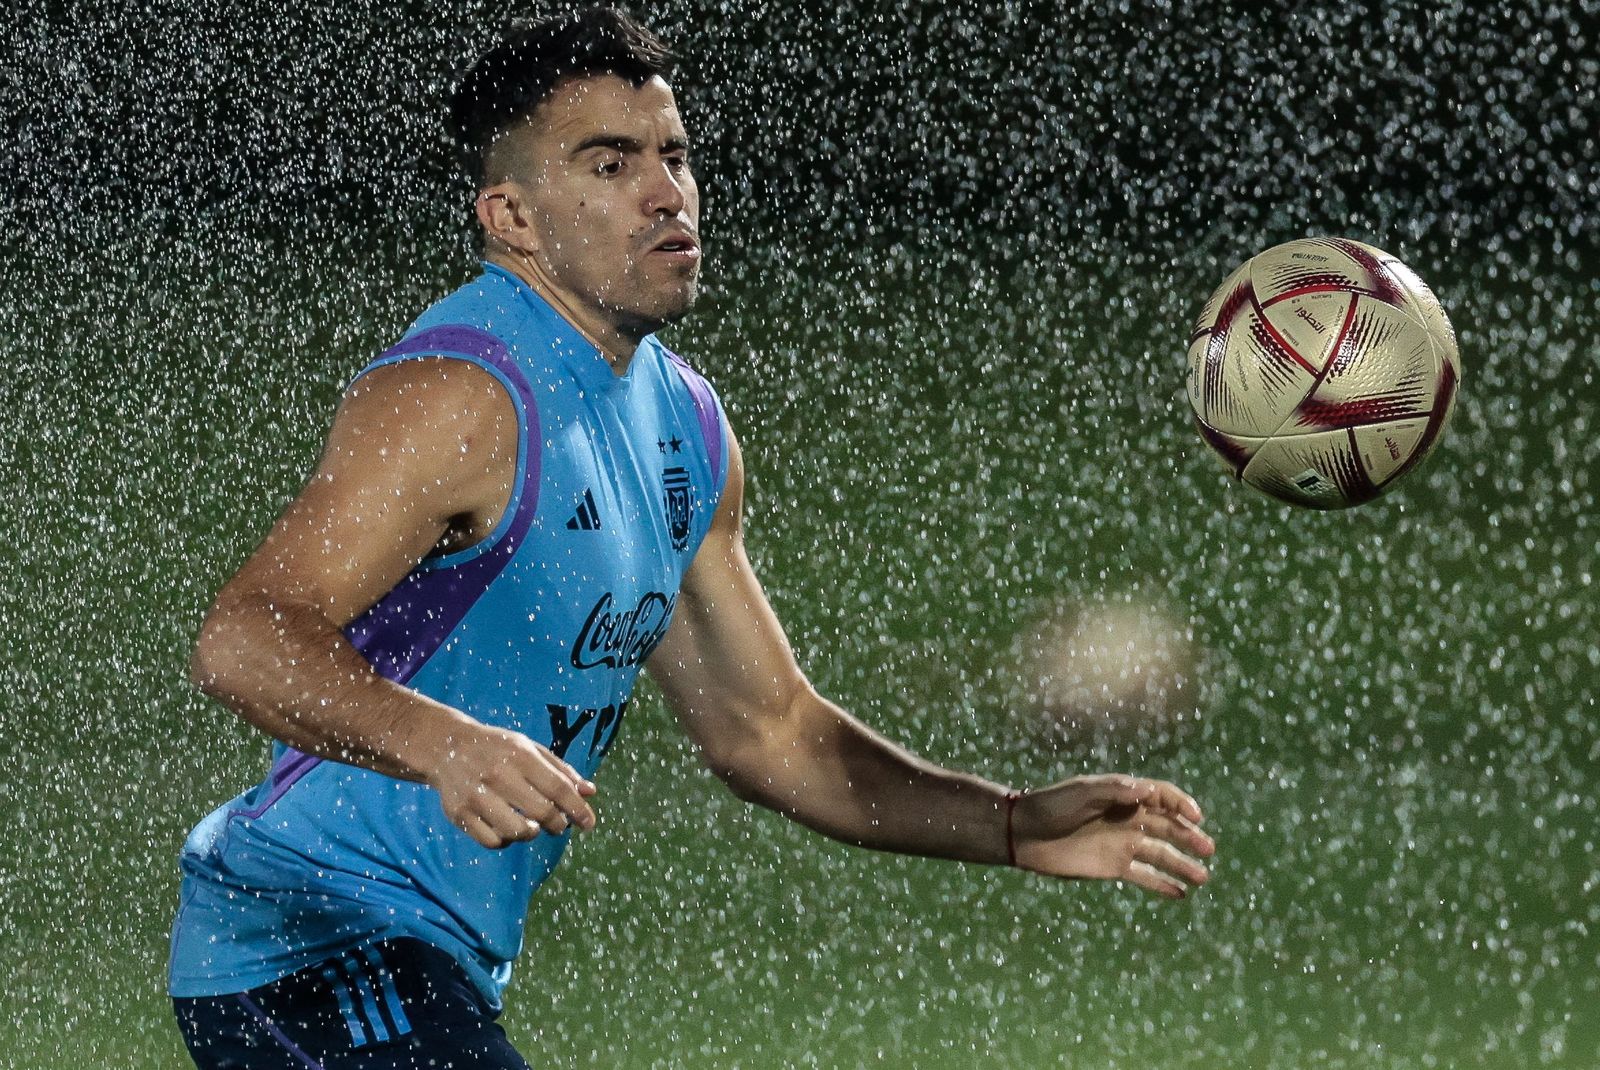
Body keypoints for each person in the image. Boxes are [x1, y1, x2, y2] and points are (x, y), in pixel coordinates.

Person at [167, 8, 1216, 1067]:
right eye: (610, 163)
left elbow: (770, 731)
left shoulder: (688, 428)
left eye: (673, 155)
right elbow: (244, 638)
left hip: (425, 958)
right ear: (513, 217)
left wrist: (1009, 822)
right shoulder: (463, 393)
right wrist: (444, 742)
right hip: (304, 944)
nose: (666, 192)